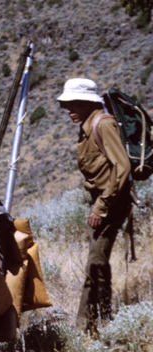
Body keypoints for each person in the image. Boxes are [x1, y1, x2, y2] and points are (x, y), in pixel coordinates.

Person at [57, 78, 132, 336]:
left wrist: (101, 206)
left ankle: (84, 327)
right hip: (103, 201)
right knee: (98, 264)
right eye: (65, 104)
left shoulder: (103, 124)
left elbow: (122, 167)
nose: (68, 109)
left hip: (111, 203)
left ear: (88, 103)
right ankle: (104, 318)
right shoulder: (88, 125)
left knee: (94, 264)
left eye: (73, 103)